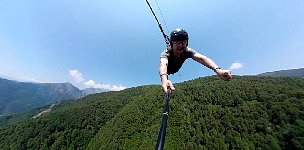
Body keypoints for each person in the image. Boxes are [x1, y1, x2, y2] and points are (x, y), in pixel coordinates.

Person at [159, 28, 232, 93]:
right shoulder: (166, 53)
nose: (181, 45)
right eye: (177, 43)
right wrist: (164, 80)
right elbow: (163, 65)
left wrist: (217, 70)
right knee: (165, 70)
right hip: (168, 70)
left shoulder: (187, 51)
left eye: (183, 42)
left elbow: (202, 58)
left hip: (175, 68)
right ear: (172, 44)